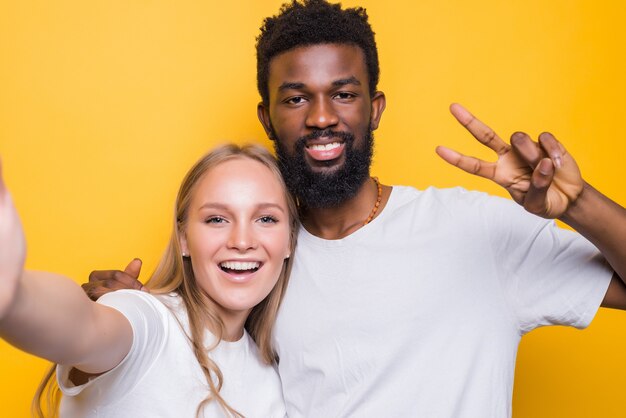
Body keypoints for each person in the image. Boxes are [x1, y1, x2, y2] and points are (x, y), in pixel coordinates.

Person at [89, 1, 626, 416]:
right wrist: (135, 323)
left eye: (343, 94)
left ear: (375, 109)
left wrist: (577, 205)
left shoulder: (474, 229)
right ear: (267, 115)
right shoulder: (255, 263)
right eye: (296, 98)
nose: (322, 117)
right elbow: (195, 354)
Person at [0, 144, 298, 417]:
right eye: (217, 219)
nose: (242, 241)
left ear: (289, 241)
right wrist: (15, 293)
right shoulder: (150, 321)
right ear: (183, 239)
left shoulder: (274, 383)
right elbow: (84, 327)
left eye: (266, 219)